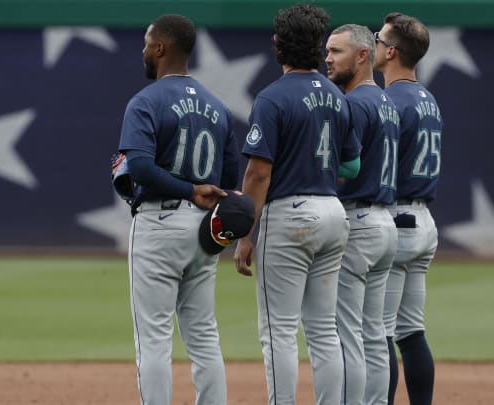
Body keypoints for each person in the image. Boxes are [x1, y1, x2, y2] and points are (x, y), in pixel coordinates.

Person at [233, 4, 362, 404]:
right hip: (332, 212)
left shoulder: (272, 98)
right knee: (324, 330)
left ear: (278, 44)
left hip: (290, 217)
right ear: (318, 46)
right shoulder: (337, 97)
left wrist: (244, 233)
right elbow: (350, 165)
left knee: (279, 331)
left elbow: (257, 174)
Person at [117, 14, 240, 405]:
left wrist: (186, 188)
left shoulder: (144, 101)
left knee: (154, 337)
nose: (143, 50)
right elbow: (231, 175)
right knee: (203, 334)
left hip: (159, 222)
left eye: (145, 43)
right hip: (204, 229)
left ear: (160, 48)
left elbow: (138, 167)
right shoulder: (217, 107)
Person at [325, 24, 400, 405]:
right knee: (374, 333)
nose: (328, 58)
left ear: (363, 55)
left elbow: (340, 168)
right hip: (386, 221)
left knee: (346, 333)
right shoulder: (386, 100)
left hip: (357, 220)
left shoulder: (351, 103)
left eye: (337, 51)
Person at [373, 12, 443, 405]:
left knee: (380, 332)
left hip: (394, 219)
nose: (375, 45)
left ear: (392, 51)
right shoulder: (428, 99)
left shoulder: (388, 100)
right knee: (411, 331)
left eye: (379, 40)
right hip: (423, 223)